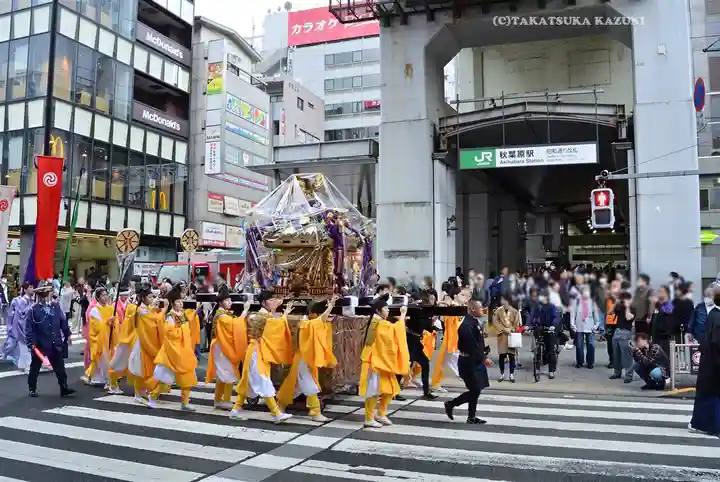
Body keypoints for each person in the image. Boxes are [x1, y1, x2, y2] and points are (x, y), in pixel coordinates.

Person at [230, 290, 292, 423]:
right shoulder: (261, 315)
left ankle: (235, 409)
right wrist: (285, 314)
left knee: (249, 382)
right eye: (271, 300)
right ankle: (276, 413)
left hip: (255, 350)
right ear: (264, 302)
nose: (274, 301)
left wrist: (278, 311)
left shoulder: (262, 314)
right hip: (256, 352)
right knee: (264, 380)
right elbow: (275, 327)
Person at [278, 296, 339, 422]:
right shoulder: (306, 324)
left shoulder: (308, 322)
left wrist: (329, 309)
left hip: (306, 359)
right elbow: (320, 321)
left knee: (294, 385)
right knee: (310, 385)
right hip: (303, 360)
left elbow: (321, 321)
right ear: (312, 313)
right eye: (319, 314)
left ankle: (280, 406)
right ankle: (315, 411)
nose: (323, 317)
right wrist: (331, 306)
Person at [359, 295, 409, 428]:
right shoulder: (380, 323)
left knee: (390, 388)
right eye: (386, 309)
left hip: (380, 360)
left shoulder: (379, 322)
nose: (388, 311)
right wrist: (403, 315)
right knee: (373, 390)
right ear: (378, 311)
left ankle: (381, 413)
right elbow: (396, 330)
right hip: (374, 361)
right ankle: (369, 418)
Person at [149, 285, 198, 411]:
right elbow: (170, 333)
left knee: (187, 376)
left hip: (183, 350)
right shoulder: (170, 316)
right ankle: (153, 396)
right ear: (172, 303)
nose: (181, 304)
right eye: (178, 302)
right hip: (172, 351)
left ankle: (185, 402)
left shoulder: (181, 314)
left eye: (181, 301)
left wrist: (196, 311)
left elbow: (187, 323)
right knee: (165, 378)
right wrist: (184, 328)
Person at [444, 299, 492, 424]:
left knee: (476, 389)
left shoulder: (474, 321)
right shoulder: (466, 325)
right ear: (472, 309)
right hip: (467, 362)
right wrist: (484, 358)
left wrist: (484, 350)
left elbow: (477, 342)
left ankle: (471, 417)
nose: (483, 310)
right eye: (480, 308)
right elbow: (471, 345)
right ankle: (451, 404)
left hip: (475, 360)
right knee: (475, 390)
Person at [26, 281, 74, 397]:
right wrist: (32, 343)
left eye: (47, 293)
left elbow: (63, 321)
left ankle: (64, 387)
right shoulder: (33, 310)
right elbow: (29, 329)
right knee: (35, 367)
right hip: (40, 343)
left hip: (54, 342)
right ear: (38, 295)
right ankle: (32, 388)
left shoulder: (56, 307)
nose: (45, 296)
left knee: (60, 368)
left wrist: (68, 334)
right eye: (42, 294)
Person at [206, 285, 249, 410]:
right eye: (227, 300)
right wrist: (245, 311)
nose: (230, 302)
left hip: (220, 346)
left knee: (223, 374)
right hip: (222, 347)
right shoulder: (222, 316)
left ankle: (218, 400)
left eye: (230, 300)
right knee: (228, 372)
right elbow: (235, 325)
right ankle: (225, 400)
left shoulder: (223, 313)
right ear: (220, 302)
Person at [689, 287, 720, 436]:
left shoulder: (714, 315)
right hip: (712, 361)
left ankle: (706, 424)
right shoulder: (709, 313)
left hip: (710, 362)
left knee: (708, 395)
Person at [128, 283, 165, 405]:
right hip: (143, 342)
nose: (151, 299)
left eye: (152, 297)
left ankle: (142, 391)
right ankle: (138, 393)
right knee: (141, 368)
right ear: (143, 298)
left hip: (146, 341)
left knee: (146, 368)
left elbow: (153, 316)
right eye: (149, 297)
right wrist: (162, 311)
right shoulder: (140, 310)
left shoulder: (146, 309)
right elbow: (153, 320)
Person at [82, 287, 115, 387]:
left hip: (110, 337)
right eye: (103, 295)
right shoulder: (94, 311)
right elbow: (97, 327)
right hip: (100, 339)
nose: (105, 297)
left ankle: (102, 378)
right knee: (102, 360)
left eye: (106, 295)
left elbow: (115, 323)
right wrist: (107, 322)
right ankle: (105, 379)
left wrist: (114, 323)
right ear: (97, 297)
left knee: (109, 359)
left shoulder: (111, 308)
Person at [108, 286, 136, 395]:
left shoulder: (129, 305)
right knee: (118, 360)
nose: (125, 297)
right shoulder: (116, 305)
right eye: (123, 295)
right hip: (122, 336)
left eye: (126, 295)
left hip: (127, 336)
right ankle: (112, 384)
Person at [0, 282, 34, 371]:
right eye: (30, 287)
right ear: (25, 289)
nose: (32, 289)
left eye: (32, 287)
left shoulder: (32, 301)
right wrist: (10, 327)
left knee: (22, 348)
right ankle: (26, 365)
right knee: (12, 346)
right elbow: (16, 316)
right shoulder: (19, 301)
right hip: (19, 328)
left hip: (26, 328)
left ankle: (23, 364)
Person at [530, 292, 560, 379]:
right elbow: (532, 316)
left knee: (551, 350)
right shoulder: (537, 306)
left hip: (550, 330)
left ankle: (551, 370)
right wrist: (529, 325)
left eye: (542, 296)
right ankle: (537, 368)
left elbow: (556, 317)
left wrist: (553, 326)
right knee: (538, 350)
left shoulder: (552, 307)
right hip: (540, 329)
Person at [570, 287, 601, 369]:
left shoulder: (592, 302)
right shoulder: (577, 301)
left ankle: (590, 362)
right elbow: (573, 313)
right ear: (581, 293)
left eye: (587, 291)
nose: (586, 293)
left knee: (591, 345)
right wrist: (572, 324)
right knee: (579, 345)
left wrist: (596, 324)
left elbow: (596, 314)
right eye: (584, 291)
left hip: (590, 326)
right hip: (579, 326)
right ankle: (580, 362)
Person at [492, 295, 521, 382]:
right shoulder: (498, 311)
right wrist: (503, 329)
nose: (502, 302)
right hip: (502, 335)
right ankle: (502, 374)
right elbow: (495, 321)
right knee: (502, 355)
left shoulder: (514, 311)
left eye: (504, 300)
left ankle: (511, 374)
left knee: (512, 356)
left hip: (511, 335)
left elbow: (517, 323)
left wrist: (511, 329)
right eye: (502, 300)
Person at [610, 291, 635, 383]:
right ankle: (617, 372)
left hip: (626, 333)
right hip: (617, 331)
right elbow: (610, 313)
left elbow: (629, 317)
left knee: (626, 356)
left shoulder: (632, 308)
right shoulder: (619, 308)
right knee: (616, 355)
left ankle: (629, 375)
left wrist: (627, 306)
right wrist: (616, 303)